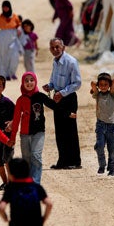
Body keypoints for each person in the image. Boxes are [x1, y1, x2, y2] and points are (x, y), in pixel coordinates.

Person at [42, 38, 82, 170]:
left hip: (68, 98)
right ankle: (63, 160)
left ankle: (75, 161)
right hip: (58, 98)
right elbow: (54, 79)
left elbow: (77, 83)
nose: (55, 50)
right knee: (60, 131)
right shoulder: (55, 62)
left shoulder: (71, 62)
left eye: (57, 47)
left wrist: (63, 93)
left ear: (63, 47)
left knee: (70, 130)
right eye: (52, 47)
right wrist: (49, 86)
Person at [10, 72, 56, 184]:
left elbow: (54, 106)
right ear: (22, 83)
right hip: (24, 134)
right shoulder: (20, 100)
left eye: (32, 80)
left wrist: (68, 113)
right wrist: (12, 138)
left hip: (39, 132)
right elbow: (15, 121)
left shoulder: (40, 96)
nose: (29, 82)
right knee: (26, 159)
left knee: (36, 155)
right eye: (26, 80)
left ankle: (35, 182)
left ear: (35, 82)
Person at [90, 72, 114, 176]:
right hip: (100, 124)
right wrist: (96, 85)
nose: (103, 87)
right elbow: (93, 84)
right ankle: (102, 166)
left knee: (112, 149)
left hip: (112, 125)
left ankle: (112, 168)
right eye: (101, 85)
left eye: (105, 85)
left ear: (109, 85)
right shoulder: (97, 95)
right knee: (100, 146)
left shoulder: (112, 94)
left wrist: (111, 84)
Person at [0, 0, 22, 80]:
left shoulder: (14, 16)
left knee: (14, 56)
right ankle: (4, 75)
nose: (5, 9)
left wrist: (19, 29)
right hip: (3, 37)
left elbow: (19, 24)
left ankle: (12, 72)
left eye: (7, 7)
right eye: (4, 7)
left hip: (13, 37)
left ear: (9, 7)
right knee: (3, 56)